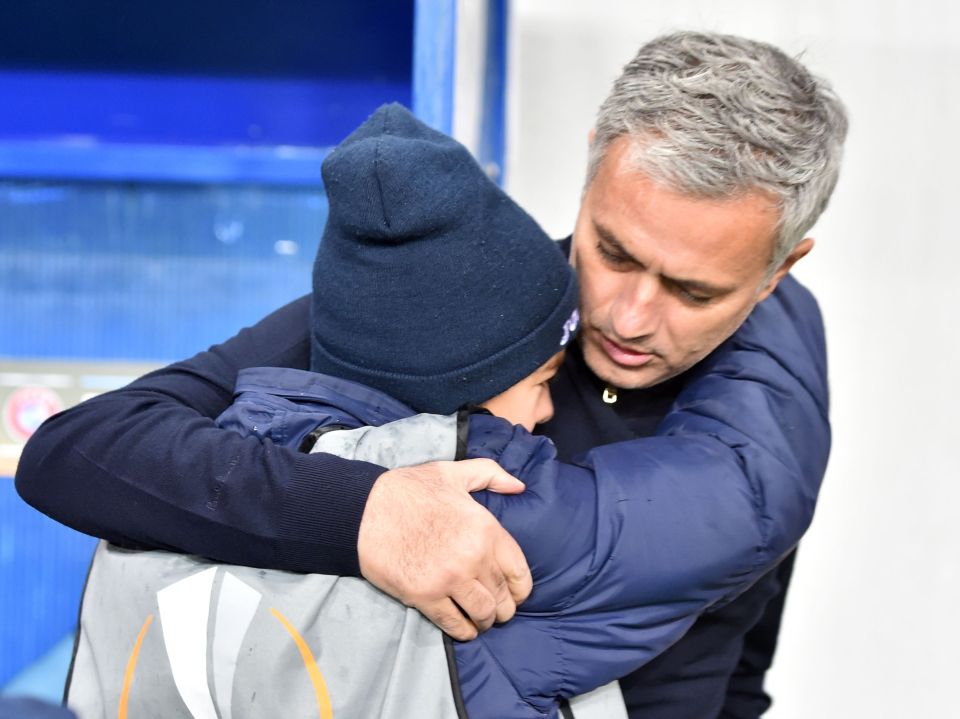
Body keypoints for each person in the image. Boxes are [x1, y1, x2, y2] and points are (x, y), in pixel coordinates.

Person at [17, 31, 847, 718]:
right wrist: (364, 511)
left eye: (693, 291)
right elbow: (82, 451)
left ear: (780, 270)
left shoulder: (766, 411)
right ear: (594, 163)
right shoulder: (449, 302)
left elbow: (743, 654)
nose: (628, 317)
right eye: (613, 249)